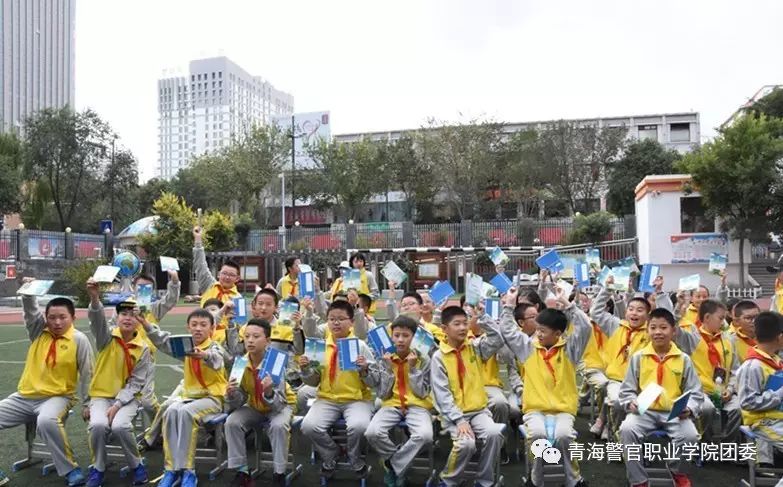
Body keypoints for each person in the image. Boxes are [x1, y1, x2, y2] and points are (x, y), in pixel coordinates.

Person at [0, 285, 93, 487]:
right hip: (24, 397)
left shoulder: (79, 339)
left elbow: (88, 373)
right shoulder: (38, 331)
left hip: (58, 397)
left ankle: (71, 469)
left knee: (47, 420)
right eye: (52, 317)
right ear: (46, 317)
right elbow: (30, 312)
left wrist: (88, 403)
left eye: (62, 317)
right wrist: (28, 291)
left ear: (73, 318)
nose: (57, 322)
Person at [499, 287, 592, 487]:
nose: (538, 334)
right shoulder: (528, 348)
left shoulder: (569, 350)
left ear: (558, 333)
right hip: (535, 410)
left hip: (563, 410)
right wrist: (508, 305)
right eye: (537, 329)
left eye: (543, 331)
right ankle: (536, 479)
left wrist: (569, 306)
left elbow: (585, 328)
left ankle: (574, 479)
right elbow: (507, 330)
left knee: (564, 436)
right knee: (538, 436)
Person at [141, 309, 228, 487]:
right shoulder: (185, 347)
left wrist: (204, 356)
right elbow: (164, 342)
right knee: (171, 411)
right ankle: (171, 469)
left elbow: (218, 360)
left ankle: (189, 471)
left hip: (213, 398)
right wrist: (146, 324)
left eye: (203, 325)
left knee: (186, 413)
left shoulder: (213, 346)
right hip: (189, 396)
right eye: (194, 325)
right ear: (187, 327)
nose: (198, 329)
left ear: (212, 328)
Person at [618, 308, 702, 487]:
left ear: (673, 331)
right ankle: (638, 479)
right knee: (627, 429)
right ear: (647, 331)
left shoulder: (683, 359)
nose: (658, 332)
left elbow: (695, 391)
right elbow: (627, 389)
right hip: (644, 412)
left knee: (690, 436)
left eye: (663, 327)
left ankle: (676, 470)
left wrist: (689, 408)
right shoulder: (638, 357)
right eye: (653, 327)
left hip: (674, 413)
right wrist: (630, 402)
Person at [299, 301, 381, 479]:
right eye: (332, 319)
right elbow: (313, 382)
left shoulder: (359, 346)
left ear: (351, 322)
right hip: (327, 399)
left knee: (359, 427)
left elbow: (375, 381)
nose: (336, 323)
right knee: (308, 426)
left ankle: (354, 458)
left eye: (341, 319)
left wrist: (365, 370)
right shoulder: (319, 347)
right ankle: (332, 454)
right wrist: (305, 370)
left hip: (357, 400)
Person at [430, 303, 505, 487]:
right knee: (466, 444)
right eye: (457, 324)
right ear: (444, 329)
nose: (463, 327)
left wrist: (482, 317)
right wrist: (458, 419)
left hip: (479, 411)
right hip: (454, 416)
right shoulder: (439, 357)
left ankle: (484, 480)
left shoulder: (475, 348)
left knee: (494, 433)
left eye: (465, 323)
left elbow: (497, 339)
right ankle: (448, 479)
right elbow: (442, 395)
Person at [590, 275, 673, 437]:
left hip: (644, 384)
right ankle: (617, 439)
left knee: (645, 410)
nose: (634, 313)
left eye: (640, 310)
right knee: (617, 402)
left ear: (648, 316)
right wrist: (607, 289)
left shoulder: (652, 332)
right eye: (631, 309)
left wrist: (660, 292)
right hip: (617, 381)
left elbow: (668, 318)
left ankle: (632, 437)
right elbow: (596, 312)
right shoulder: (615, 325)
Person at [85, 281, 150, 486]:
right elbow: (97, 321)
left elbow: (136, 383)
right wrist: (95, 298)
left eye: (132, 314)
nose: (128, 318)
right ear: (117, 317)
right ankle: (98, 468)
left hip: (127, 398)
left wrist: (118, 404)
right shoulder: (106, 338)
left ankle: (137, 465)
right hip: (101, 395)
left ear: (138, 321)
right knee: (97, 425)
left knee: (121, 426)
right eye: (123, 314)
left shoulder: (143, 348)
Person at [225, 319, 296, 487]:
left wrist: (269, 391)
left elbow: (278, 405)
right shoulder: (240, 363)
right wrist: (232, 394)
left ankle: (279, 473)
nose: (250, 340)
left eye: (256, 336)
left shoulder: (275, 361)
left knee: (278, 426)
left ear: (268, 341)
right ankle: (242, 471)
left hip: (281, 405)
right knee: (232, 422)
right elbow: (240, 399)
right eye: (247, 336)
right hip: (255, 405)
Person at [365, 315, 434, 487]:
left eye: (405, 335)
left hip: (417, 405)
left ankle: (392, 465)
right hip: (391, 403)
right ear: (391, 336)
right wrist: (388, 369)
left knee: (425, 436)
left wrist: (413, 369)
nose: (400, 340)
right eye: (396, 335)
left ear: (414, 337)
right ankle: (399, 464)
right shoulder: (385, 357)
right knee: (372, 432)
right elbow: (382, 393)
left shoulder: (424, 359)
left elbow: (422, 392)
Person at [674, 299, 740, 442]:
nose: (723, 322)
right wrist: (678, 308)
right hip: (700, 392)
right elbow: (674, 330)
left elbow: (735, 371)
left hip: (723, 390)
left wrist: (730, 388)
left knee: (738, 409)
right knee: (707, 408)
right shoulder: (692, 338)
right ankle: (701, 442)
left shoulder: (728, 340)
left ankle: (726, 445)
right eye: (720, 318)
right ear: (707, 318)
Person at [131, 271, 181, 434]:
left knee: (146, 401)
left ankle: (159, 425)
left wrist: (174, 280)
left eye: (147, 288)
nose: (143, 290)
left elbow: (171, 300)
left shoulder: (153, 309)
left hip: (146, 360)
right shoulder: (124, 307)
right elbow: (112, 328)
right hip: (124, 360)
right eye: (140, 287)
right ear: (133, 288)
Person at [736, 311, 783, 468]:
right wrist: (779, 395)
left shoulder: (775, 360)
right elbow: (747, 402)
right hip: (763, 423)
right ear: (780, 337)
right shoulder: (753, 366)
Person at [193, 225, 241, 342]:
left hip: (223, 339)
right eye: (224, 273)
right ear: (219, 274)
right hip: (202, 335)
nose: (227, 277)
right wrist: (198, 240)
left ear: (237, 278)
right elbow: (200, 266)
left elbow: (239, 325)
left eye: (231, 275)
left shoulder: (238, 299)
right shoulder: (209, 285)